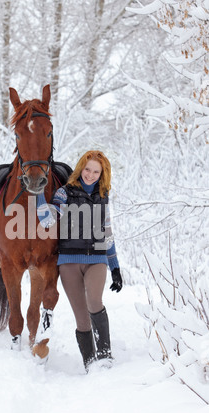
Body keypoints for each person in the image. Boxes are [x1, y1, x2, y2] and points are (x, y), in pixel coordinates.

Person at [36, 150, 123, 371]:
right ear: (80, 169)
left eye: (96, 171)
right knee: (81, 316)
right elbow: (48, 220)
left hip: (97, 258)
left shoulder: (103, 195)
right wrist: (38, 194)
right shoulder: (65, 193)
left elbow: (107, 232)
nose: (91, 175)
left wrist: (115, 267)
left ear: (102, 174)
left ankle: (104, 358)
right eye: (87, 169)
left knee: (94, 301)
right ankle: (90, 363)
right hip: (69, 262)